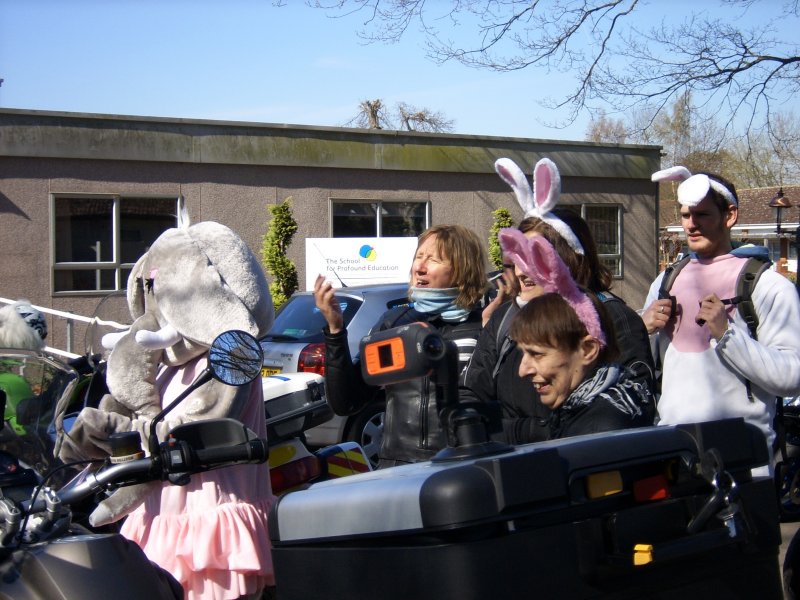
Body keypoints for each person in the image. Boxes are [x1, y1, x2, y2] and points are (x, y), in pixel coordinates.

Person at [462, 158, 654, 444]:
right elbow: (470, 397)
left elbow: (630, 407)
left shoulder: (613, 318)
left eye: (535, 255)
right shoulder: (506, 319)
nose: (521, 271)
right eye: (517, 259)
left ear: (567, 258)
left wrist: (520, 431)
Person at [643, 167, 800, 466]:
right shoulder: (665, 281)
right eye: (685, 215)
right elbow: (640, 370)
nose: (691, 225)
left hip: (744, 457)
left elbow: (792, 376)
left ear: (729, 215)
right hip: (674, 451)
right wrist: (642, 330)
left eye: (702, 215)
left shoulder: (767, 285)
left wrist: (728, 335)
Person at [313, 224, 487, 467]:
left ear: (462, 270)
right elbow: (347, 401)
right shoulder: (394, 324)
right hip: (399, 467)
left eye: (434, 259)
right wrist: (335, 331)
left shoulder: (484, 326)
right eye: (418, 257)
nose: (420, 267)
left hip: (464, 464)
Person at [503, 230, 653, 439]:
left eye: (536, 354)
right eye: (523, 353)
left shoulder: (600, 434)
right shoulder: (575, 410)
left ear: (588, 349)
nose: (522, 370)